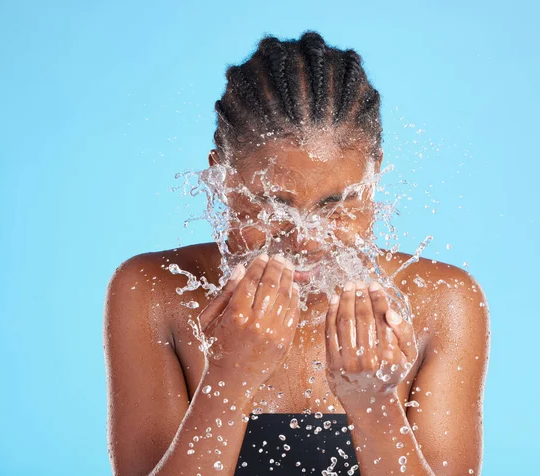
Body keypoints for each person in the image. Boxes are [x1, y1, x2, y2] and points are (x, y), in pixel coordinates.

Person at [103, 31, 490, 476]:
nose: (307, 241)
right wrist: (229, 378)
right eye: (271, 204)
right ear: (222, 178)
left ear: (374, 177)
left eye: (338, 205)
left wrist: (374, 405)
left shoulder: (441, 300)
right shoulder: (153, 289)